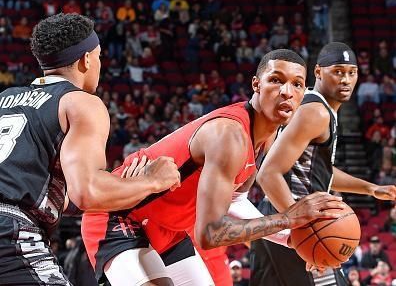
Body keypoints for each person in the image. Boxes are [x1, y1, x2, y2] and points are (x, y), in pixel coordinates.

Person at [82, 49, 347, 286]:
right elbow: (209, 233)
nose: (287, 92)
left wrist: (293, 239)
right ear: (256, 84)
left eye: (297, 84)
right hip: (120, 215)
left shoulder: (266, 137)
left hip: (167, 228)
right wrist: (288, 218)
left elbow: (235, 202)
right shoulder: (230, 135)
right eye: (276, 80)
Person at [0, 13, 180, 285]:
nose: (99, 63)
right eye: (99, 56)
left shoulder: (5, 98)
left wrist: (119, 188)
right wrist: (152, 180)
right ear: (86, 59)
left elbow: (58, 193)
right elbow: (87, 192)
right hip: (11, 234)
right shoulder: (80, 102)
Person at [250, 42, 396, 286]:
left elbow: (317, 169)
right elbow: (268, 174)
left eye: (352, 72)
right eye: (338, 71)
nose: (346, 80)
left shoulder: (313, 106)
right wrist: (303, 229)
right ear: (318, 72)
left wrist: (370, 188)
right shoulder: (316, 112)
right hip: (293, 217)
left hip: (275, 218)